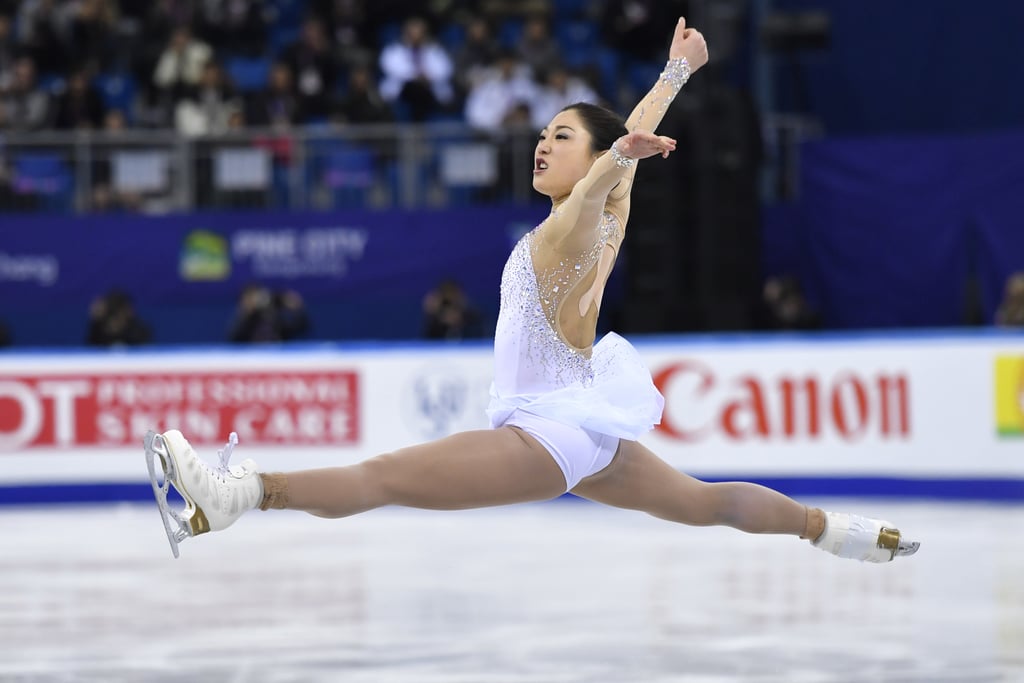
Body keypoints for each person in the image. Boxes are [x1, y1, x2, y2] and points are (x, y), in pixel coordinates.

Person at [145, 18, 919, 565]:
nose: (544, 144)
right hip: (584, 428)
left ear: (589, 161)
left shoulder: (572, 224)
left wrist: (618, 147)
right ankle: (840, 531)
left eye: (561, 137)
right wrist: (674, 75)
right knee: (708, 501)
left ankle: (239, 493)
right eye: (543, 132)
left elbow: (601, 180)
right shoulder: (606, 210)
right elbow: (617, 169)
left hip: (548, 435)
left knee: (381, 476)